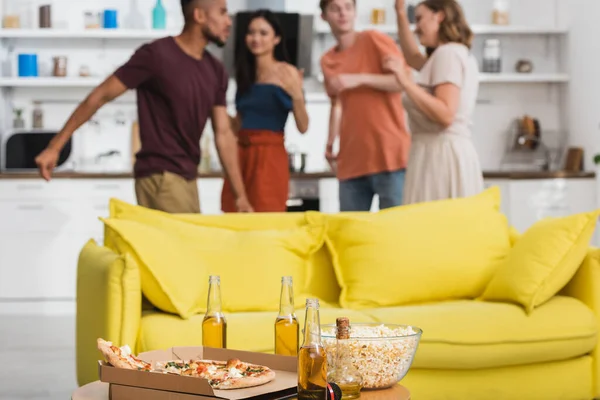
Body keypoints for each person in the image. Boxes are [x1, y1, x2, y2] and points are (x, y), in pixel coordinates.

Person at [34, 0, 253, 214]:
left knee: (179, 249)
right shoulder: (156, 55)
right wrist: (55, 147)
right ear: (199, 15)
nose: (229, 21)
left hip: (187, 176)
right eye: (222, 12)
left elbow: (223, 133)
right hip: (160, 175)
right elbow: (100, 96)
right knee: (182, 249)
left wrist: (240, 197)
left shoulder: (215, 70)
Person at [383, 0, 484, 204]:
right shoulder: (447, 54)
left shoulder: (448, 54)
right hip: (438, 153)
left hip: (440, 157)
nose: (416, 28)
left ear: (439, 16)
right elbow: (412, 56)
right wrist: (400, 13)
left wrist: (405, 82)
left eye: (419, 19)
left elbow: (445, 114)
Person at [319, 0, 411, 212]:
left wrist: (359, 79)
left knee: (393, 233)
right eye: (335, 8)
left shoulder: (373, 39)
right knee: (352, 234)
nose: (342, 13)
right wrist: (330, 141)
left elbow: (403, 81)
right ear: (324, 16)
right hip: (351, 161)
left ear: (354, 12)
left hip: (389, 156)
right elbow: (337, 104)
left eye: (348, 7)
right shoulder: (327, 60)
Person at [221, 9, 308, 213]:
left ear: (276, 38)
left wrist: (297, 94)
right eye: (251, 32)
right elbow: (237, 125)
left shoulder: (288, 73)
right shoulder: (244, 74)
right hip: (240, 156)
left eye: (263, 33)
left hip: (269, 157)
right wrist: (215, 108)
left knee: (267, 219)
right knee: (234, 221)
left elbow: (303, 126)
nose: (255, 38)